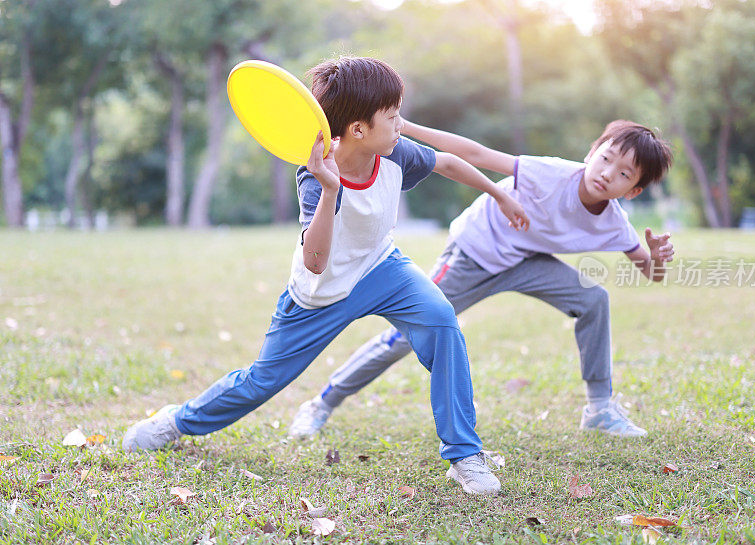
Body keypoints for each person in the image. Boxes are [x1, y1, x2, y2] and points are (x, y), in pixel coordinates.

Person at [122, 56, 530, 496]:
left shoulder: (393, 153)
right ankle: (175, 422)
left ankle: (464, 454)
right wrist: (331, 189)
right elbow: (316, 261)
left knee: (442, 321)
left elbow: (448, 163)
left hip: (381, 267)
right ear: (358, 129)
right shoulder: (316, 177)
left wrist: (498, 195)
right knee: (263, 382)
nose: (402, 125)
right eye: (392, 117)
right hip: (322, 290)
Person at [289, 119, 674, 440]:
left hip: (526, 261)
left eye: (624, 173)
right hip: (474, 251)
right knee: (406, 336)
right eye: (605, 159)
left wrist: (656, 258)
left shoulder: (614, 222)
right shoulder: (550, 173)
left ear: (634, 190)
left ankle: (600, 408)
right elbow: (475, 154)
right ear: (591, 154)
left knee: (594, 299)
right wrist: (405, 127)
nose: (608, 174)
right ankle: (322, 402)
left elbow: (650, 272)